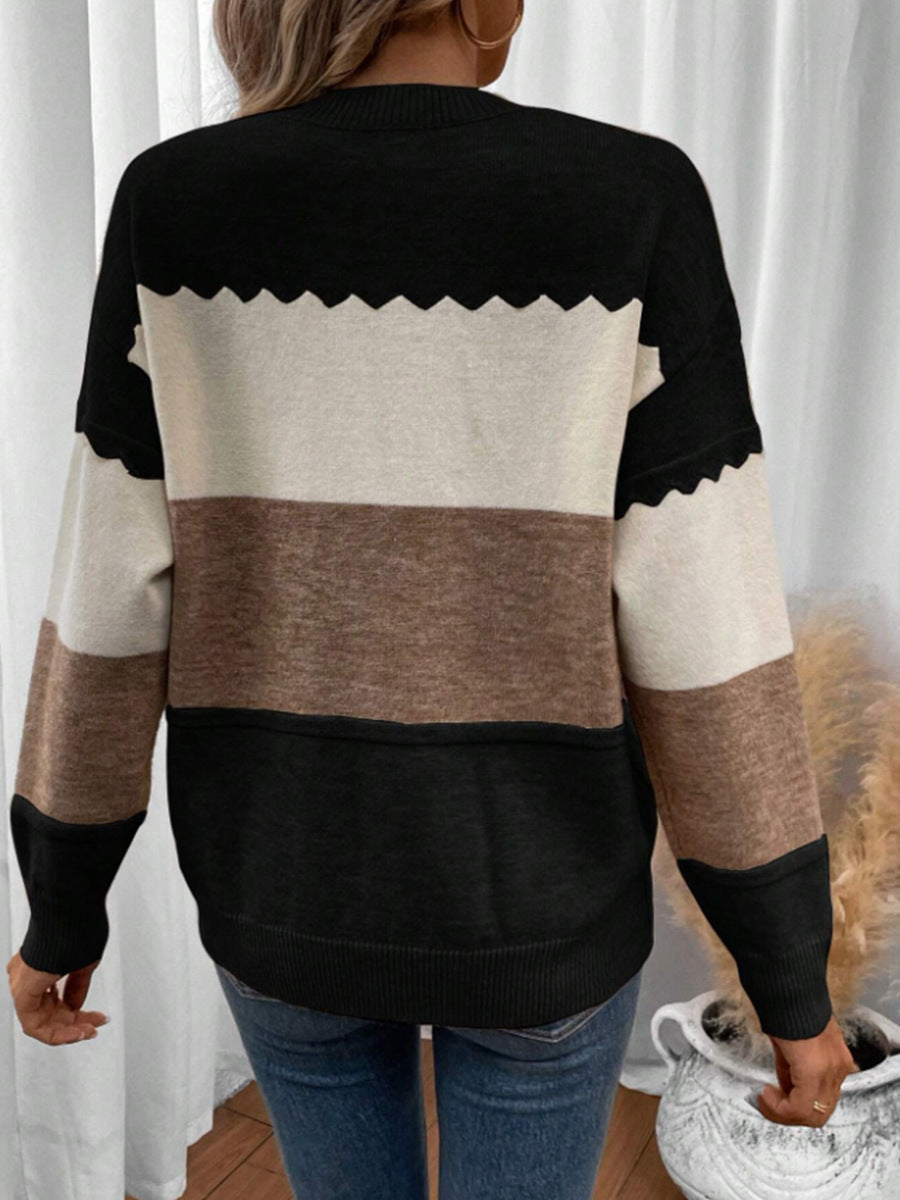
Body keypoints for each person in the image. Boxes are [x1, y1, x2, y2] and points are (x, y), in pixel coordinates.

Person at [7, 0, 859, 1196]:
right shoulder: (630, 200)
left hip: (281, 894)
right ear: (481, 6)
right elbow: (707, 629)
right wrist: (789, 979)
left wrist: (62, 902)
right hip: (542, 911)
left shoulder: (177, 203)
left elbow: (107, 601)